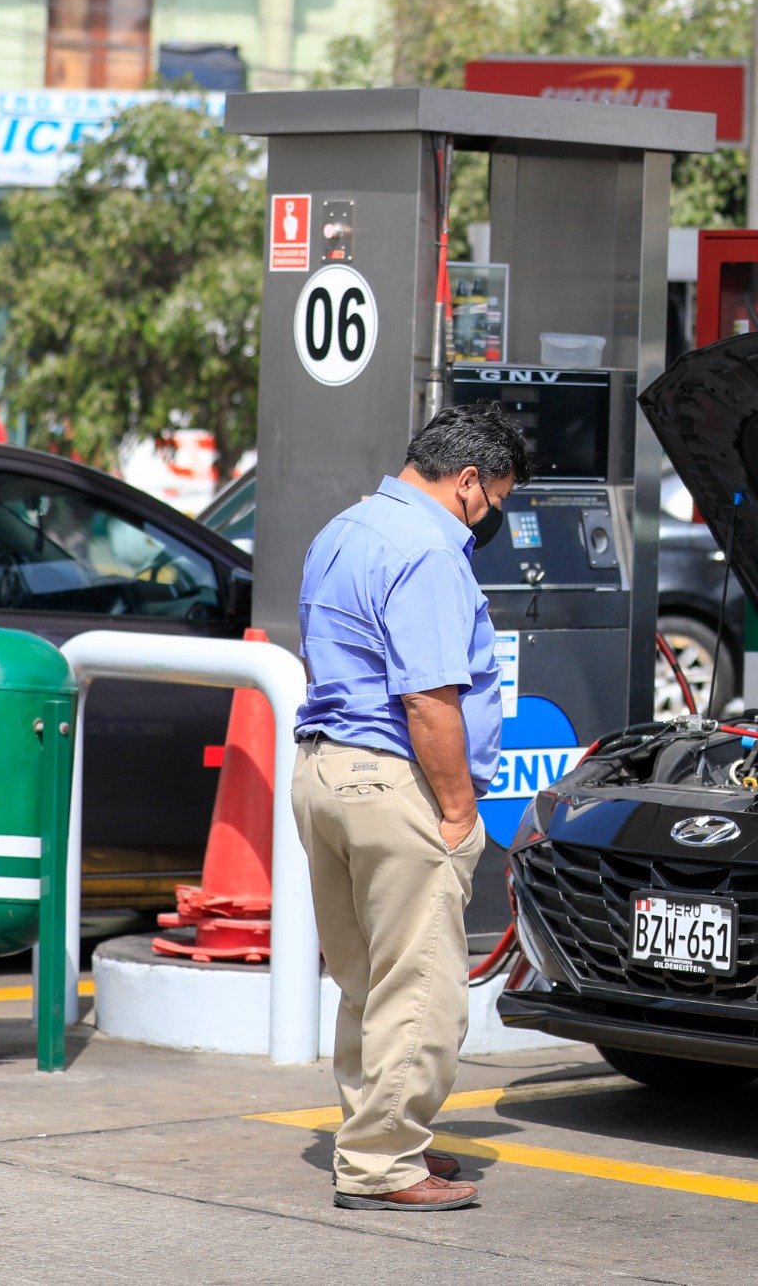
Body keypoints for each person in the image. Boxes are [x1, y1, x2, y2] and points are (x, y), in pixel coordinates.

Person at [292, 403, 524, 1213]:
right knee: (421, 987)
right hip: (393, 783)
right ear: (467, 484)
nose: (496, 517)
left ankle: (375, 1139)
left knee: (366, 983)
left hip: (323, 773)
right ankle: (386, 1165)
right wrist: (459, 812)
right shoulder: (428, 552)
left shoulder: (346, 529)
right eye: (498, 500)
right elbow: (429, 698)